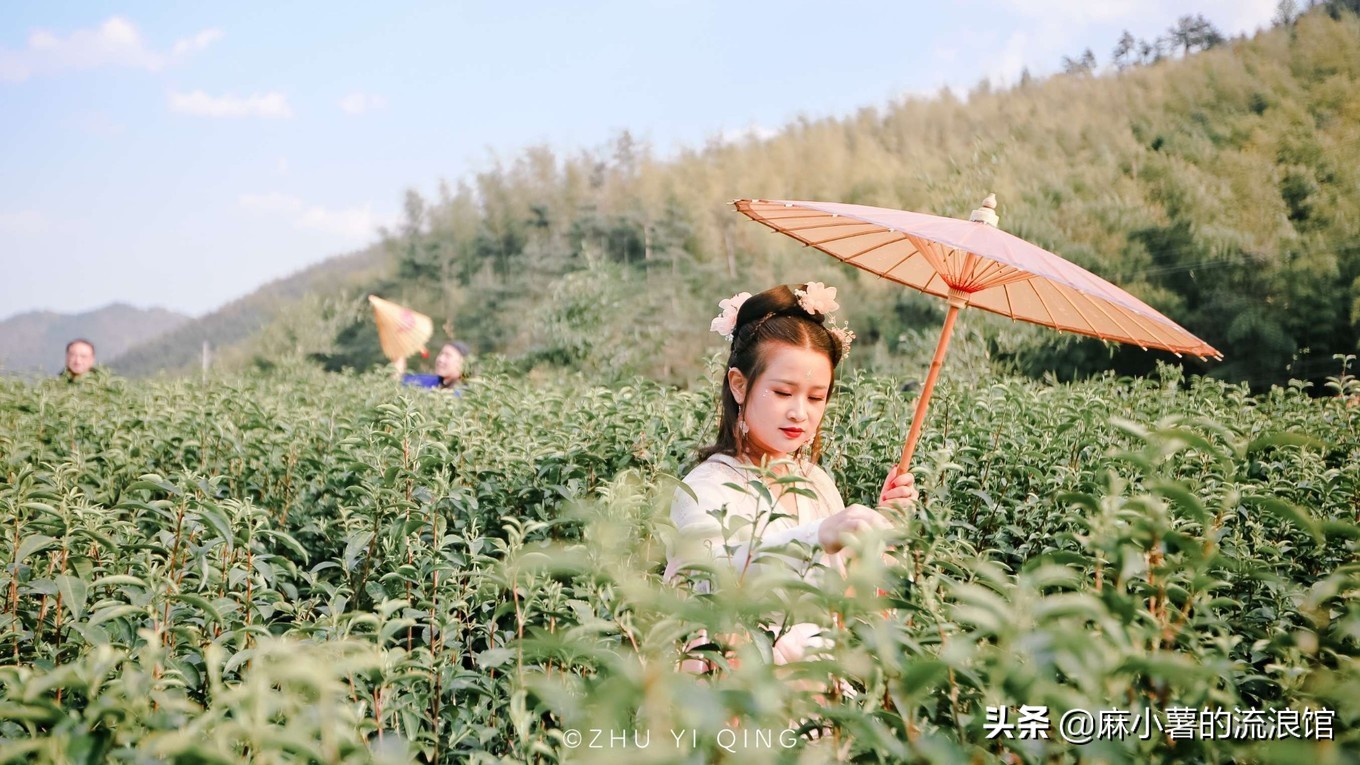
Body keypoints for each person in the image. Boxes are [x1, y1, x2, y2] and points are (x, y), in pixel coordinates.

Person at [666, 283, 917, 670]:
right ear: (739, 384)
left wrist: (883, 528)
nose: (801, 412)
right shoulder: (703, 488)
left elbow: (852, 600)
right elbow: (713, 578)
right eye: (784, 392)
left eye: (816, 397)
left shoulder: (816, 481)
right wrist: (819, 537)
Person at [394, 341, 471, 393]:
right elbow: (398, 381)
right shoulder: (431, 382)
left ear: (462, 362)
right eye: (441, 354)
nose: (440, 359)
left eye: (448, 356)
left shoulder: (466, 393)